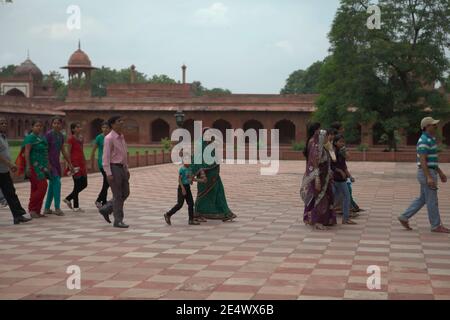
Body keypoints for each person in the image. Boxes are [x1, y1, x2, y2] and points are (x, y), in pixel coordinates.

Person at [398, 117, 449, 233]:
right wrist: (429, 177)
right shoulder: (424, 141)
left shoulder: (430, 139)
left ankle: (404, 216)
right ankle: (436, 225)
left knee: (423, 199)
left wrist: (440, 173)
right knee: (432, 200)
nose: (435, 127)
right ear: (426, 127)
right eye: (433, 125)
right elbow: (423, 161)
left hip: (429, 171)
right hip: (427, 173)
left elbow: (431, 161)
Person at [190, 128, 236, 222]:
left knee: (219, 192)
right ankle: (198, 212)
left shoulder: (211, 145)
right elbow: (196, 160)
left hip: (214, 175)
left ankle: (225, 212)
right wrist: (197, 171)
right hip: (204, 176)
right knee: (202, 194)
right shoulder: (200, 146)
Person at [300, 123, 337, 230]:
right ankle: (317, 221)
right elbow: (314, 163)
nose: (327, 137)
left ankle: (323, 219)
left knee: (324, 197)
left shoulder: (322, 146)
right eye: (325, 135)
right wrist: (316, 179)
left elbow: (333, 159)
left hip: (324, 176)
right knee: (319, 198)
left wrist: (329, 147)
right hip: (318, 176)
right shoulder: (315, 147)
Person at [0, 116, 31, 224]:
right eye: (1, 123)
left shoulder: (3, 137)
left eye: (4, 123)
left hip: (3, 171)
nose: (4, 125)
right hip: (2, 169)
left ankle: (18, 215)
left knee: (11, 193)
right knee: (9, 192)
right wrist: (9, 164)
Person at [101, 116, 130, 228]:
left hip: (122, 168)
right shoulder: (109, 138)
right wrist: (108, 173)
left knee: (126, 192)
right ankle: (118, 220)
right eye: (119, 121)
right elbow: (106, 157)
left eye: (122, 120)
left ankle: (107, 208)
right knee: (117, 195)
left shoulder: (121, 137)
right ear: (112, 125)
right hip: (114, 168)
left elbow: (124, 154)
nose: (122, 122)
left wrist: (126, 168)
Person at [331, 121, 363, 213]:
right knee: (338, 194)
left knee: (346, 193)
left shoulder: (340, 149)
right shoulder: (332, 150)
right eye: (342, 128)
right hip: (334, 176)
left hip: (341, 176)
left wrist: (348, 175)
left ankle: (348, 211)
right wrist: (340, 171)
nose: (344, 130)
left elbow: (344, 163)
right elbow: (332, 164)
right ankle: (341, 210)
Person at [44, 117, 73, 216]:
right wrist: (48, 164)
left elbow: (63, 150)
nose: (56, 125)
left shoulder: (60, 136)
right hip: (50, 163)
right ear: (52, 124)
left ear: (61, 125)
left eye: (58, 123)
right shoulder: (48, 135)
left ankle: (47, 208)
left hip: (56, 163)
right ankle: (57, 207)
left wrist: (70, 163)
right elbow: (45, 150)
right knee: (57, 183)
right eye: (54, 123)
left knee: (52, 186)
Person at [164, 157, 205, 226]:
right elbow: (179, 180)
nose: (189, 163)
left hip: (187, 187)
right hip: (182, 187)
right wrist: (183, 189)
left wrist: (200, 180)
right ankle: (168, 214)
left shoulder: (190, 169)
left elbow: (191, 178)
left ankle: (191, 220)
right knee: (180, 204)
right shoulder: (182, 169)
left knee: (191, 204)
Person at [23, 120, 50, 218]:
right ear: (32, 127)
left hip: (42, 167)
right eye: (36, 126)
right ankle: (32, 208)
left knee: (35, 188)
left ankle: (37, 210)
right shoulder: (30, 138)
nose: (39, 127)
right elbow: (26, 152)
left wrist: (48, 164)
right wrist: (28, 166)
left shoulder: (41, 138)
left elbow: (45, 152)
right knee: (43, 186)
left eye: (40, 126)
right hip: (34, 166)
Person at [331, 134, 356, 225]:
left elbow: (344, 166)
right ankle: (343, 218)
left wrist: (350, 176)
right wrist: (339, 171)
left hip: (341, 179)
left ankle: (345, 218)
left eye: (343, 141)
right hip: (335, 179)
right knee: (339, 198)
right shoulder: (333, 152)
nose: (342, 143)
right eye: (340, 141)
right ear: (335, 142)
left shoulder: (341, 152)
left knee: (342, 197)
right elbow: (332, 165)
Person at [64, 122, 88, 212]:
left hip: (81, 163)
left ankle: (68, 198)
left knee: (84, 184)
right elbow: (68, 152)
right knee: (77, 184)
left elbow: (81, 150)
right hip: (74, 164)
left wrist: (85, 161)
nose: (79, 128)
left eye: (79, 127)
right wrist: (69, 165)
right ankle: (76, 206)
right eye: (77, 127)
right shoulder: (70, 139)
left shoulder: (81, 138)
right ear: (73, 129)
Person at [91, 121, 111, 208]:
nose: (105, 129)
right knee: (107, 182)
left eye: (107, 127)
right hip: (102, 162)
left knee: (107, 182)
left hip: (110, 162)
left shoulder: (111, 137)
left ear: (110, 128)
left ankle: (103, 201)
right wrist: (91, 163)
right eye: (103, 127)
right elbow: (93, 150)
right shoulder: (99, 137)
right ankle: (100, 200)